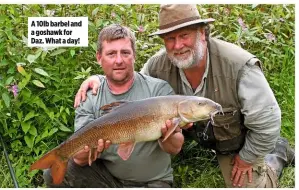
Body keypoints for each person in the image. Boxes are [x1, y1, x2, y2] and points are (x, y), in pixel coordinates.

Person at [73, 4, 295, 188]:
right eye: (170, 38)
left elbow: (269, 121)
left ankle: (278, 153)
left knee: (251, 185)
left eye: (184, 35)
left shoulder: (239, 66)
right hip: (202, 136)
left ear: (202, 33)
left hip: (240, 141)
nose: (177, 45)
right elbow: (134, 89)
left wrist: (247, 158)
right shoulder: (158, 64)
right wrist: (99, 80)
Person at [43, 24, 186, 188]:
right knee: (53, 173)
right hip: (107, 179)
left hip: (152, 182)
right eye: (111, 54)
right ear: (99, 57)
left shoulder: (158, 91)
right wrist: (88, 149)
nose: (119, 60)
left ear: (134, 56)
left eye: (125, 53)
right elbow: (79, 160)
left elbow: (174, 148)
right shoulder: (89, 96)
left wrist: (167, 134)